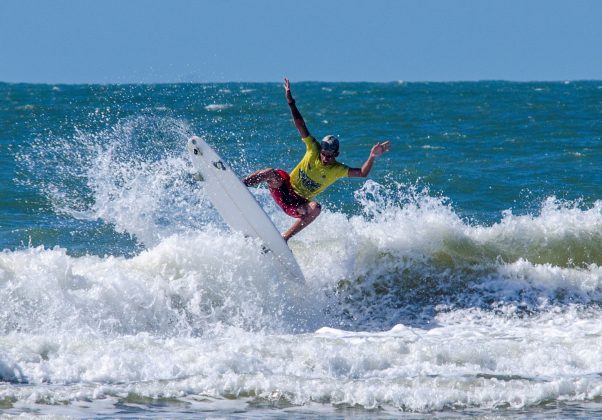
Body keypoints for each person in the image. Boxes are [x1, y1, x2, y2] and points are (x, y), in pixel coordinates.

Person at [243, 78, 391, 242]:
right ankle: (242, 185)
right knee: (272, 172)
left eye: (330, 155)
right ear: (320, 150)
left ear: (337, 154)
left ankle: (284, 237)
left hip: (296, 205)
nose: (326, 157)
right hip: (283, 187)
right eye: (324, 153)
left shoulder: (337, 169)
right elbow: (300, 125)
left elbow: (362, 173)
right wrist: (291, 102)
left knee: (316, 208)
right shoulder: (313, 148)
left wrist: (372, 155)